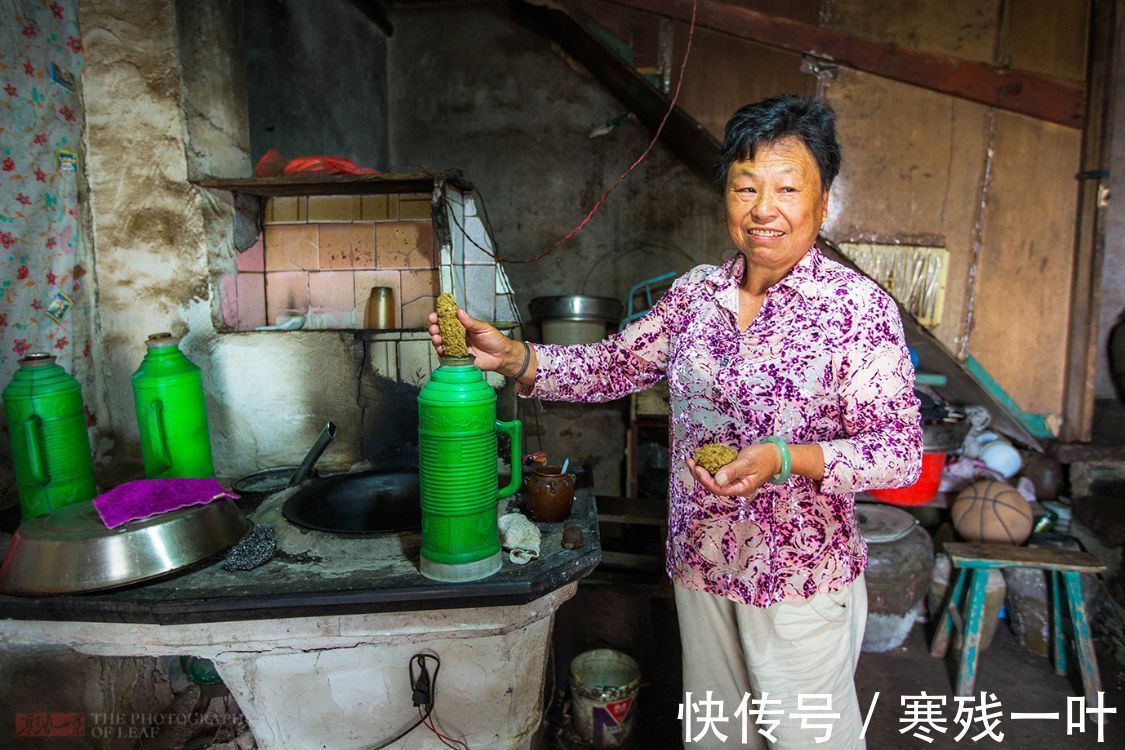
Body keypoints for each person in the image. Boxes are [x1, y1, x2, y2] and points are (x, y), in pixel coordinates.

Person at [428, 95, 922, 749]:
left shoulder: (856, 308)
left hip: (796, 579)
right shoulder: (696, 295)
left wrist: (784, 457)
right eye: (745, 187)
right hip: (704, 564)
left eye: (785, 187)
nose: (762, 209)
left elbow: (898, 452)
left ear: (822, 199)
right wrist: (514, 355)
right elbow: (612, 367)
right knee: (718, 739)